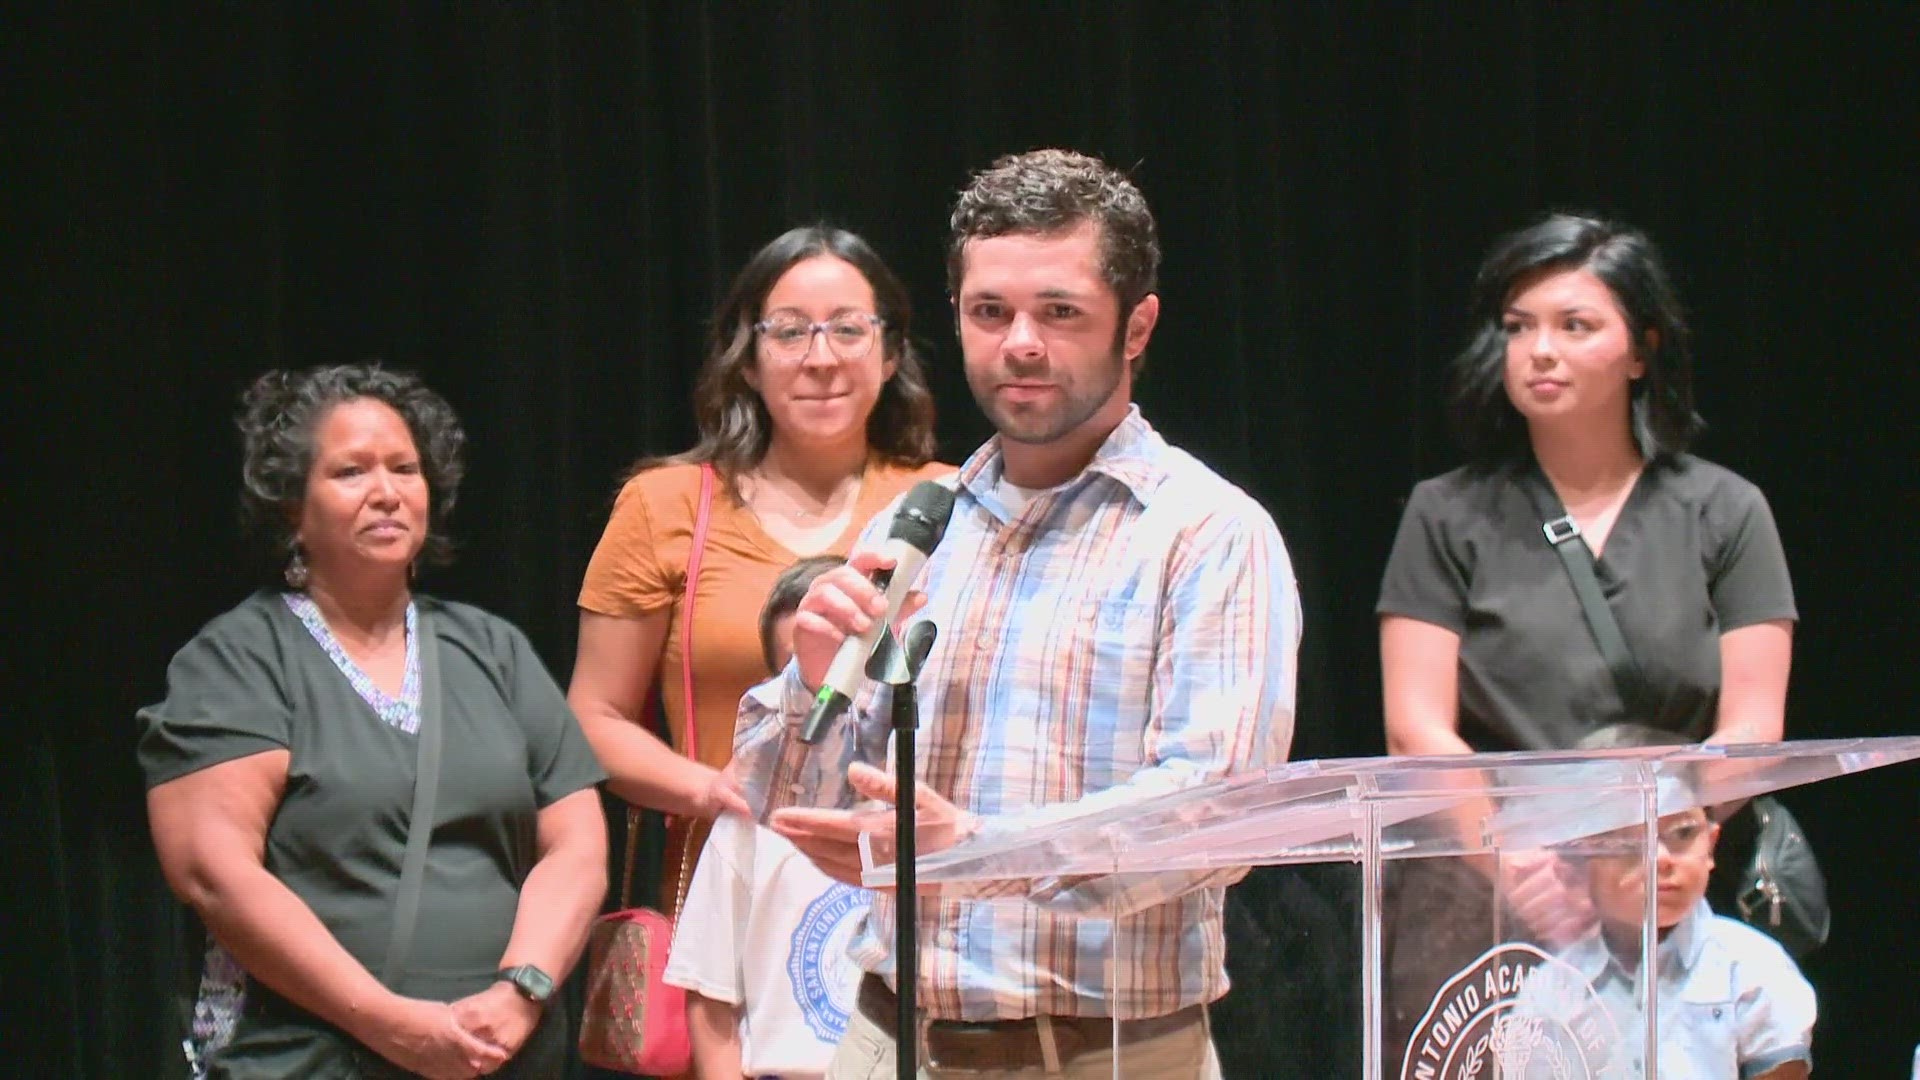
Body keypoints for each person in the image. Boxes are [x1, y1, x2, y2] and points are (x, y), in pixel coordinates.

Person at [733, 149, 1302, 1079]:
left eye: (1060, 312)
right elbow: (786, 806)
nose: (1021, 342)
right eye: (990, 312)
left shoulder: (1208, 533)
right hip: (886, 1037)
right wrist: (809, 679)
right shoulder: (917, 526)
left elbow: (1211, 818)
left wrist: (975, 852)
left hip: (1101, 1053)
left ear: (1138, 325)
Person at [1375, 213, 1798, 1054]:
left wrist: (1649, 848)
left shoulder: (1725, 511)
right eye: (1517, 327)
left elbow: (1754, 727)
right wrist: (1513, 861)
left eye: (1575, 326)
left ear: (1640, 351)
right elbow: (1415, 724)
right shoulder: (1446, 512)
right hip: (1487, 900)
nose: (1538, 350)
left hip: (1668, 896)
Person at [138, 364, 608, 1079]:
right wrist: (391, 1024)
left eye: (405, 468)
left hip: (504, 1055)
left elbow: (576, 843)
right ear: (292, 508)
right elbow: (215, 874)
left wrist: (523, 991)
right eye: (351, 471)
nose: (386, 492)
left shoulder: (493, 649)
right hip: (320, 1055)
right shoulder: (237, 661)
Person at [570, 226, 951, 925]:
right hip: (731, 898)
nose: (821, 359)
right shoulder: (666, 504)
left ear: (891, 352)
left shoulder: (946, 506)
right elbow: (593, 720)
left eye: (848, 330)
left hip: (906, 903)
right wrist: (719, 791)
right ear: (746, 359)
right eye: (789, 332)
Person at [1510, 724, 1815, 1080]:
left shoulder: (1751, 967)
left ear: (1711, 844)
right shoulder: (1552, 987)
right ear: (1575, 867)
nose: (1661, 859)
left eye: (1683, 833)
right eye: (1627, 843)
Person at [666, 554, 865, 1080]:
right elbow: (709, 997)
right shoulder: (750, 818)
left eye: (847, 660)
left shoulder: (925, 804)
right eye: (802, 671)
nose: (831, 690)